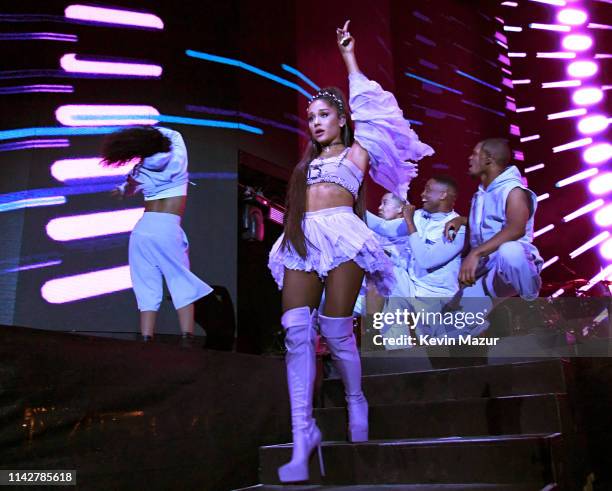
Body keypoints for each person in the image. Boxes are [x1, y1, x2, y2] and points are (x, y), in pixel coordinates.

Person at [267, 21, 433, 483]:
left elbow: (370, 108)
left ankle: (356, 398)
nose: (315, 121)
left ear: (340, 119)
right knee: (297, 331)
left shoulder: (357, 153)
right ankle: (303, 437)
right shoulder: (307, 165)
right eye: (310, 116)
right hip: (305, 237)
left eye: (323, 113)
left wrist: (349, 58)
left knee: (337, 331)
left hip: (344, 235)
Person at [101, 126, 212, 343]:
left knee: (146, 284)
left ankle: (145, 338)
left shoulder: (140, 171)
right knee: (180, 281)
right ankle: (187, 338)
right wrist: (147, 132)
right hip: (167, 228)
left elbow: (129, 187)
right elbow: (173, 134)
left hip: (143, 229)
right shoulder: (178, 157)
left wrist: (122, 190)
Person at [443, 138, 543, 337]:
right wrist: (462, 220)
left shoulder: (513, 190)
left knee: (510, 250)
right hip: (490, 273)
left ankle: (530, 297)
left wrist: (475, 254)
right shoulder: (481, 195)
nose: (470, 158)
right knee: (450, 327)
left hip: (513, 264)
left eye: (474, 154)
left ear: (488, 159)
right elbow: (488, 227)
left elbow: (516, 229)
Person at [366, 177, 465, 346]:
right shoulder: (420, 216)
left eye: (427, 190)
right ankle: (397, 353)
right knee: (389, 274)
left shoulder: (457, 228)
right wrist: (351, 206)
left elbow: (426, 260)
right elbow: (383, 227)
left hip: (438, 299)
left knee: (441, 356)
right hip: (413, 289)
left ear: (443, 195)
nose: (422, 194)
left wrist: (410, 222)